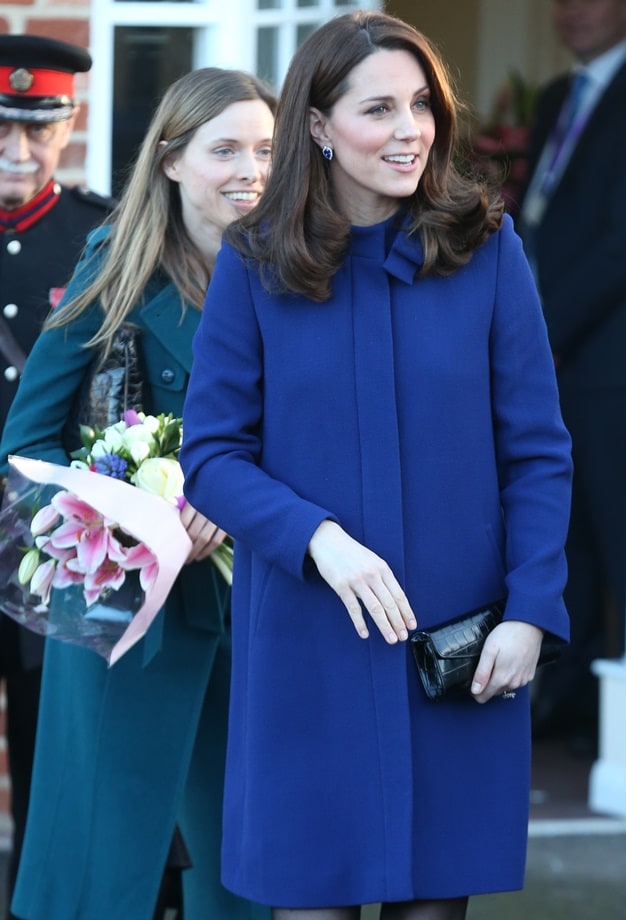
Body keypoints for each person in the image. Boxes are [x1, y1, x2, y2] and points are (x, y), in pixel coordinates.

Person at [179, 11, 572, 919]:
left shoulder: (487, 250)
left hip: (457, 646)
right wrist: (318, 540)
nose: (410, 131)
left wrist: (530, 611)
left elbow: (539, 452)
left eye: (422, 106)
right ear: (316, 126)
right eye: (379, 109)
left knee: (434, 904)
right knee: (308, 898)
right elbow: (212, 457)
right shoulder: (253, 263)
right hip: (309, 647)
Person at [0, 66, 276, 920]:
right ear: (169, 159)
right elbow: (28, 441)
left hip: (263, 609)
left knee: (247, 874)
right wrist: (133, 515)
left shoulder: (295, 268)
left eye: (266, 150)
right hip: (130, 615)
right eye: (224, 148)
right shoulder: (114, 257)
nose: (249, 170)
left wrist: (240, 493)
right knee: (96, 871)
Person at [0, 33, 114, 918]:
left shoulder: (100, 238)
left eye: (39, 128)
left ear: (68, 125)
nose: (18, 150)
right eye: (1, 127)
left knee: (52, 750)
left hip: (51, 544)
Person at [517, 0, 626, 750]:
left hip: (608, 360)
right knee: (561, 528)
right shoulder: (558, 97)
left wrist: (547, 332)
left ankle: (623, 717)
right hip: (551, 352)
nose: (576, 10)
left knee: (613, 527)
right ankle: (568, 697)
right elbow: (540, 217)